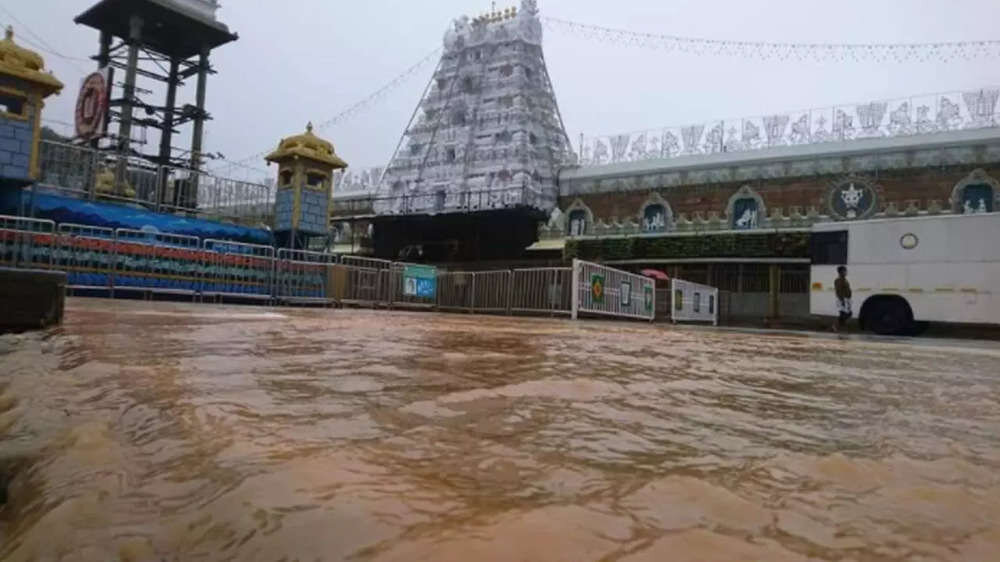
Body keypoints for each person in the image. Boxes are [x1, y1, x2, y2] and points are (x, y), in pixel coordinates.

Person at [833, 265, 852, 332]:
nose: (846, 272)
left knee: (845, 314)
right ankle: (836, 326)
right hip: (842, 299)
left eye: (845, 271)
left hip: (846, 299)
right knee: (845, 314)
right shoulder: (839, 280)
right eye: (844, 271)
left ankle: (840, 327)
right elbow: (839, 291)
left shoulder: (844, 280)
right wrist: (842, 300)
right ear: (840, 272)